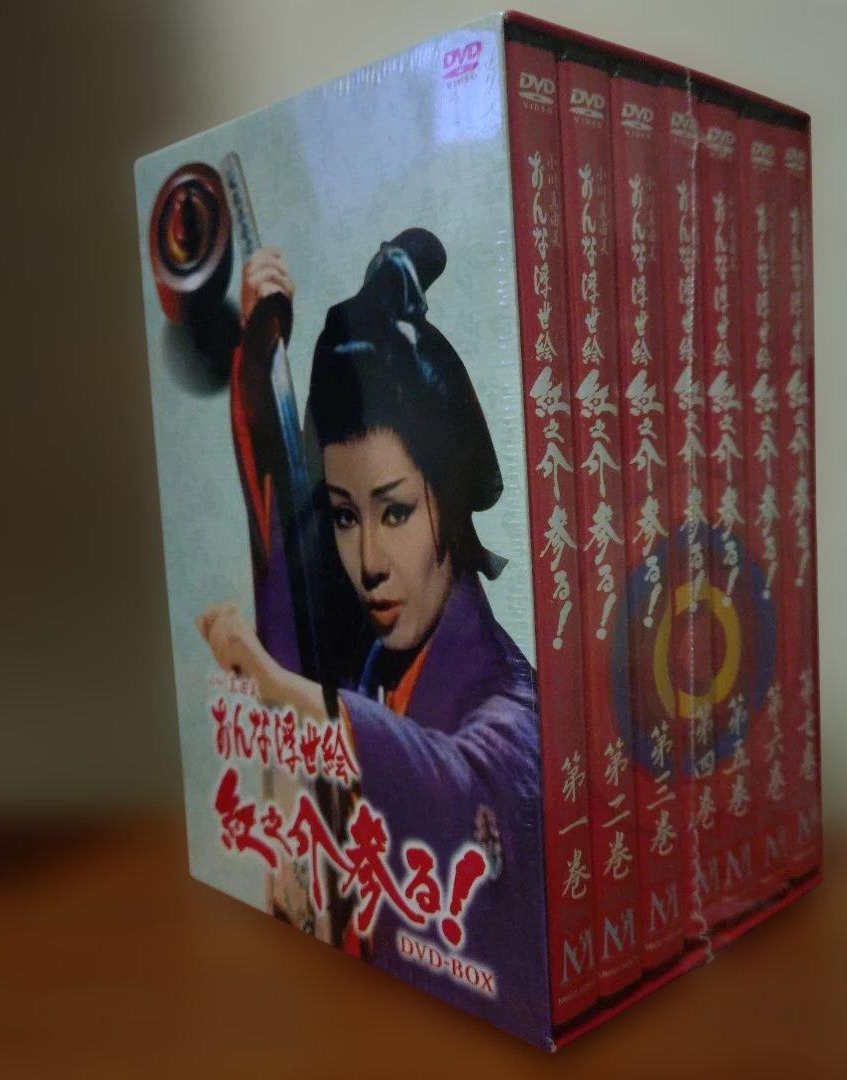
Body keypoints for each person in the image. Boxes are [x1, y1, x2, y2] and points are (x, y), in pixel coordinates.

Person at [196, 230, 549, 1042]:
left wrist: (284, 693)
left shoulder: (506, 702)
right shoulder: (368, 653)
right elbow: (289, 549)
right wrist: (259, 365)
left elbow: (454, 783)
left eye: (395, 512)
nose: (368, 564)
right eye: (347, 517)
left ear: (448, 496)